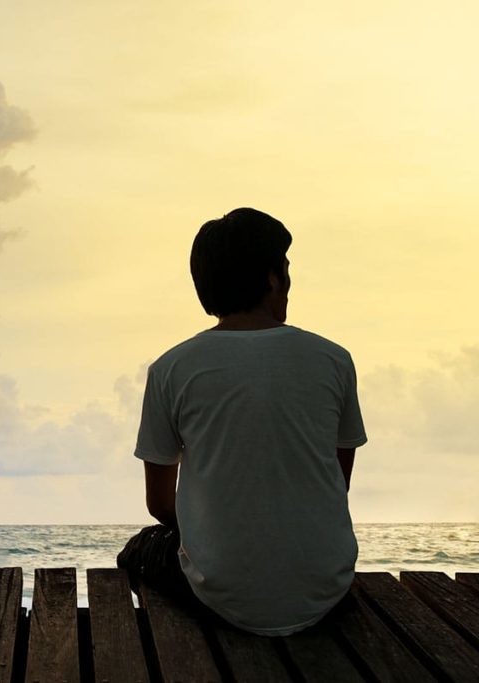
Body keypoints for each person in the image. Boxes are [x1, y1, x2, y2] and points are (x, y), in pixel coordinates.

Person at [117, 207, 367, 636]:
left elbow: (160, 505)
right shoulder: (334, 360)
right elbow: (333, 486)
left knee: (137, 552)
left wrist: (218, 526)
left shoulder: (171, 369)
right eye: (286, 271)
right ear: (273, 279)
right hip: (326, 588)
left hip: (222, 597)